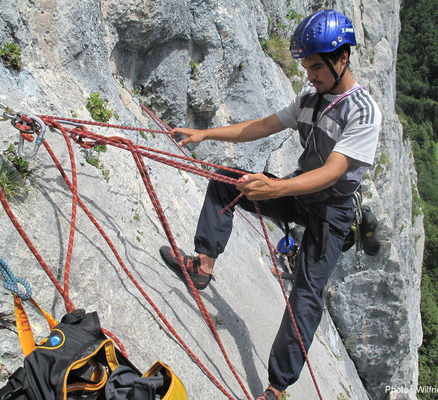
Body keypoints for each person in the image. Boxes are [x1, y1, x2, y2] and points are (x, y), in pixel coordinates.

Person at [160, 9, 381, 400]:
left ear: (341, 58)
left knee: (308, 293)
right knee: (226, 182)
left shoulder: (362, 111)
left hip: (332, 211)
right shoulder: (311, 98)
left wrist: (276, 190)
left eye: (315, 66)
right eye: (306, 67)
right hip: (299, 192)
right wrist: (204, 133)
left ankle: (277, 388)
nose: (308, 75)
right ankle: (203, 266)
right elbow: (263, 125)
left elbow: (333, 171)